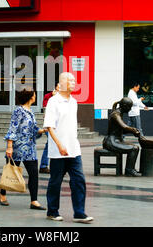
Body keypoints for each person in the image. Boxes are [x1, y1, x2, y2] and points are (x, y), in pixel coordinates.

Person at [44, 72, 94, 223]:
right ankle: (52, 211)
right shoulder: (53, 102)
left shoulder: (74, 101)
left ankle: (79, 213)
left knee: (79, 180)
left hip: (73, 149)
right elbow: (49, 127)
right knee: (55, 181)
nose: (73, 82)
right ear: (62, 83)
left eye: (74, 80)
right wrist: (59, 145)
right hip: (58, 151)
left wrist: (72, 145)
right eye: (70, 80)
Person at [0, 87, 47, 210]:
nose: (35, 96)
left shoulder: (31, 111)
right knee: (10, 171)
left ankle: (34, 201)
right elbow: (12, 128)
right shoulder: (18, 111)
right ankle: (2, 194)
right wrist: (9, 147)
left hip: (30, 149)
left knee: (34, 173)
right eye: (34, 94)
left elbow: (34, 129)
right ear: (30, 97)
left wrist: (43, 130)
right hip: (17, 148)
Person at [103, 97, 141, 176]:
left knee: (134, 147)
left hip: (115, 140)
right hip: (111, 142)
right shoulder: (116, 115)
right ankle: (129, 171)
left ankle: (130, 169)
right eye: (129, 107)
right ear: (124, 106)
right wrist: (133, 130)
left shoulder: (119, 113)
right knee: (134, 149)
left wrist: (132, 131)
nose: (130, 109)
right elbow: (124, 126)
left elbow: (121, 130)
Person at [39, 83, 60, 174]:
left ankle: (44, 166)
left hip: (59, 125)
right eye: (59, 86)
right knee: (52, 144)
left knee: (50, 145)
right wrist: (54, 98)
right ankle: (45, 166)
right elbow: (46, 109)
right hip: (50, 125)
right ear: (55, 86)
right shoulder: (48, 96)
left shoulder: (64, 97)